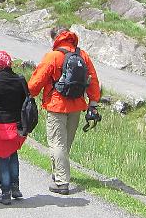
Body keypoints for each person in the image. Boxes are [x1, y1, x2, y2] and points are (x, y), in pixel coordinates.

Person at [27, 26, 101, 195]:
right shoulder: (83, 56)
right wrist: (93, 103)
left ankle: (61, 182)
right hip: (77, 105)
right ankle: (59, 173)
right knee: (65, 143)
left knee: (56, 143)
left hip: (56, 105)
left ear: (55, 38)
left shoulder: (53, 56)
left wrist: (30, 95)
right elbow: (93, 80)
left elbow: (34, 83)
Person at [0, 50, 29, 205]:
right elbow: (26, 102)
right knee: (13, 154)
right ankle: (15, 188)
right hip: (17, 125)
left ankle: (5, 192)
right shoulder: (20, 80)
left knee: (3, 157)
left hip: (1, 124)